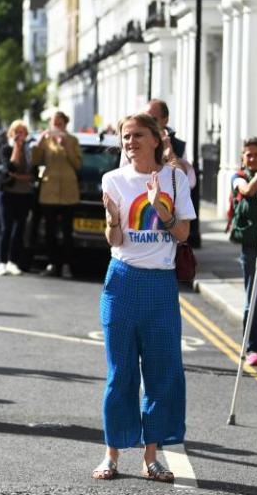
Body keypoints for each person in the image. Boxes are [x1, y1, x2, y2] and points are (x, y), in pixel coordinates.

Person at [92, 112, 196, 483]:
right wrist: (112, 218)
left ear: (156, 139)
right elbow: (115, 240)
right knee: (120, 373)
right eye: (125, 137)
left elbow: (182, 234)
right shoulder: (113, 179)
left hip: (160, 285)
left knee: (162, 372)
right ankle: (112, 454)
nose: (130, 142)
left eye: (137, 135)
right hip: (121, 281)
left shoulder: (173, 177)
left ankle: (151, 457)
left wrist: (160, 206)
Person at [227, 137, 257, 366]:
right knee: (253, 298)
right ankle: (253, 347)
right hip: (251, 245)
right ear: (242, 158)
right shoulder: (238, 178)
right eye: (248, 155)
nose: (252, 159)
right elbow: (249, 191)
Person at [33, 110, 82, 277]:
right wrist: (39, 142)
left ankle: (67, 265)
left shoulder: (73, 140)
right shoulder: (46, 141)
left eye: (60, 123)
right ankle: (52, 263)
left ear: (65, 124)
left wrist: (67, 146)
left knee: (67, 232)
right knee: (50, 231)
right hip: (49, 191)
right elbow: (35, 161)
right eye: (54, 123)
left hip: (68, 192)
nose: (56, 126)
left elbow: (77, 164)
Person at [0, 119, 34, 276]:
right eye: (16, 131)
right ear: (11, 134)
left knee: (20, 230)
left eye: (22, 132)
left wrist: (21, 176)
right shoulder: (6, 149)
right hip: (8, 195)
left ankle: (13, 261)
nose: (19, 134)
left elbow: (33, 173)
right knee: (6, 229)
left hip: (24, 195)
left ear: (26, 134)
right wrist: (17, 147)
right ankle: (2, 262)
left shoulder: (30, 151)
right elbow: (10, 166)